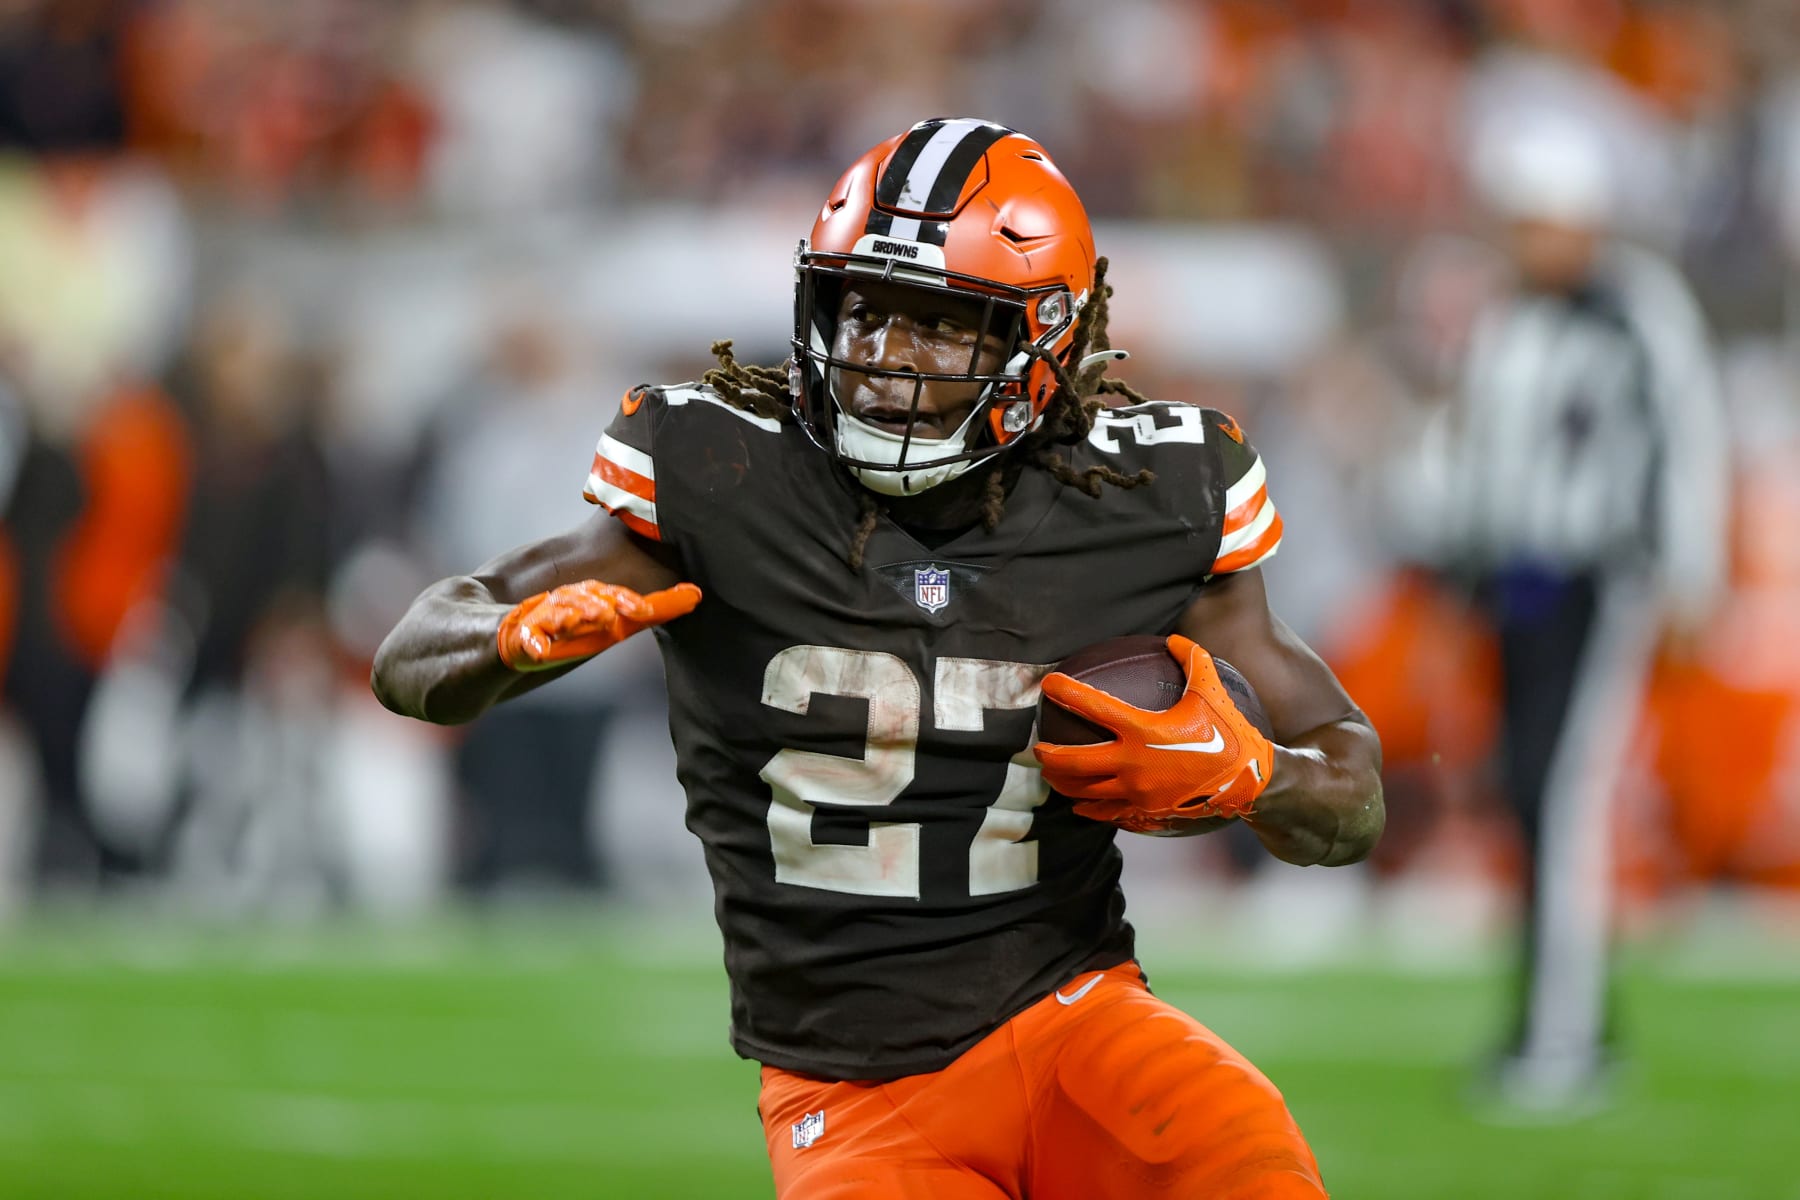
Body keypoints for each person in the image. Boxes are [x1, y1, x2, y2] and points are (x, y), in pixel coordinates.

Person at [373, 117, 1383, 1198]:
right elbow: (411, 653)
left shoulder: (1146, 497)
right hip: (849, 1092)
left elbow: (1354, 791)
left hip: (1075, 1023)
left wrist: (1258, 775)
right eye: (868, 312)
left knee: (1252, 1164)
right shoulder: (722, 475)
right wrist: (502, 640)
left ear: (1045, 340)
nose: (890, 362)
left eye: (941, 327)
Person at [1414, 119, 1729, 1115]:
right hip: (1516, 588)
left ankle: (1562, 1039)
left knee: (1562, 797)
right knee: (1528, 793)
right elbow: (1476, 453)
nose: (1529, 240)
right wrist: (1453, 560)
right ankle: (1565, 1020)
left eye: (1543, 221)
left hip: (1599, 584)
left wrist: (1692, 571)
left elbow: (1688, 437)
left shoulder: (1637, 310)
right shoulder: (1512, 316)